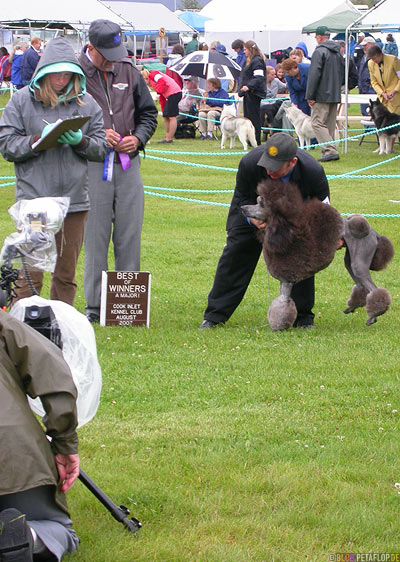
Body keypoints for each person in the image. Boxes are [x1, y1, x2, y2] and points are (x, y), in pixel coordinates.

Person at [0, 36, 107, 307]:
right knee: (29, 274)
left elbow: (101, 148)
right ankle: (23, 334)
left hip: (74, 204)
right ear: (44, 72)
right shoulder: (21, 102)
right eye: (56, 73)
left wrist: (80, 141)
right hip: (35, 203)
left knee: (65, 275)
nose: (61, 79)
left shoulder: (86, 103)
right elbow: (7, 145)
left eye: (68, 74)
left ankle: (60, 332)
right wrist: (37, 140)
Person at [198, 133, 330, 330]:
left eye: (275, 167)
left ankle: (302, 318)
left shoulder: (312, 171)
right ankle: (214, 316)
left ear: (292, 162)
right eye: (267, 164)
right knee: (236, 253)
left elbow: (324, 209)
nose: (269, 170)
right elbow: (242, 197)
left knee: (301, 255)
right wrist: (252, 220)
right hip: (252, 210)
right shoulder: (250, 163)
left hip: (296, 216)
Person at [78, 19, 157, 324]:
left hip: (127, 164)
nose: (113, 58)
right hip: (93, 164)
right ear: (91, 48)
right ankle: (95, 307)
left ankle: (126, 305)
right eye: (107, 52)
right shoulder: (74, 75)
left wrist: (137, 138)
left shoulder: (129, 71)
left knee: (129, 234)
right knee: (95, 237)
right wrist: (97, 134)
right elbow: (66, 116)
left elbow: (148, 114)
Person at [0, 308, 79, 561]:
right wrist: (64, 443)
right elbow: (51, 371)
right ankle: (32, 537)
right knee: (55, 528)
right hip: (13, 452)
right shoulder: (5, 325)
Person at [306, 25, 344, 162]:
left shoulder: (319, 52)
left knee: (316, 122)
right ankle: (327, 151)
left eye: (316, 37)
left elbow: (314, 75)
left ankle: (329, 149)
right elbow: (342, 74)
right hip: (335, 93)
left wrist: (310, 95)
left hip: (322, 94)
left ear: (320, 37)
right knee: (329, 123)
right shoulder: (338, 52)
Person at [238, 40, 267, 145]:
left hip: (254, 93)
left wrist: (248, 86)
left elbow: (258, 77)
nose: (244, 52)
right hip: (248, 94)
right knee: (248, 118)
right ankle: (251, 140)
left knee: (254, 118)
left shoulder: (257, 61)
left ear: (250, 49)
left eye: (245, 49)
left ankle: (256, 140)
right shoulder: (249, 60)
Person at [144, 68, 182, 143]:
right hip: (168, 95)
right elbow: (162, 94)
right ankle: (167, 136)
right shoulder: (151, 82)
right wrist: (163, 109)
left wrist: (158, 91)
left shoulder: (153, 74)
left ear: (145, 78)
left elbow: (162, 81)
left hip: (174, 93)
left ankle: (170, 138)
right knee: (165, 116)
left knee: (171, 117)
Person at [367, 44, 400, 114]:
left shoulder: (393, 60)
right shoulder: (370, 63)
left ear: (380, 54)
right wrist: (382, 93)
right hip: (382, 100)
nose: (373, 60)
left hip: (395, 98)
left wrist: (394, 91)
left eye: (375, 58)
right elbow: (373, 82)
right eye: (371, 59)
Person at [357, 36, 376, 117]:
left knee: (372, 112)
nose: (363, 47)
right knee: (364, 112)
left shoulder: (376, 57)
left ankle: (371, 130)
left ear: (371, 45)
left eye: (365, 45)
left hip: (371, 89)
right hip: (362, 89)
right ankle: (367, 129)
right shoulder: (364, 57)